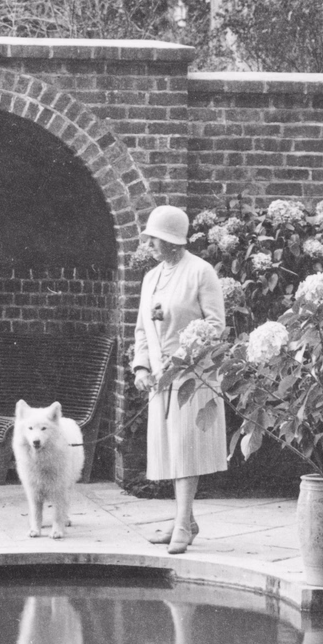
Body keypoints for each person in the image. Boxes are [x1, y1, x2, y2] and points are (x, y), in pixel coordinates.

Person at [131, 204, 227, 554]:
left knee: (186, 448)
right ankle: (183, 518)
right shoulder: (151, 277)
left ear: (173, 240)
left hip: (193, 377)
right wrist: (142, 367)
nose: (150, 244)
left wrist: (183, 357)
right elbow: (143, 328)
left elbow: (216, 326)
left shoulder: (201, 273)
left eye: (155, 238)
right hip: (160, 377)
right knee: (171, 449)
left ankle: (184, 524)